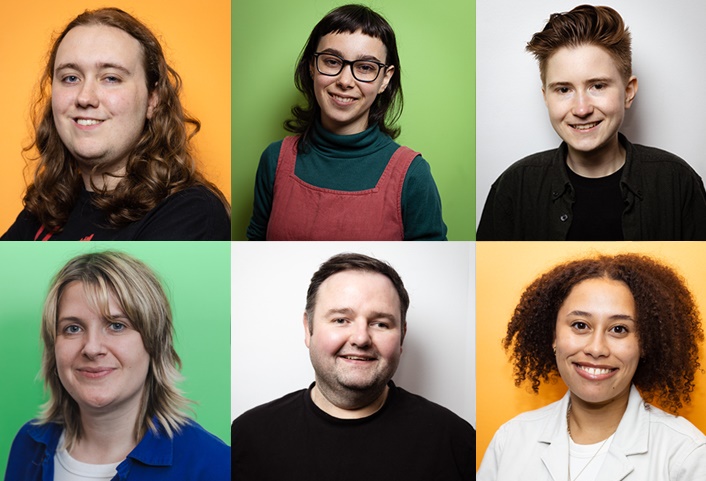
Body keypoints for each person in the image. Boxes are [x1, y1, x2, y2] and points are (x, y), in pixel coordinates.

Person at [232, 253, 473, 480]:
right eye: (340, 320)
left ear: (402, 336)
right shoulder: (248, 436)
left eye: (380, 323)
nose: (361, 338)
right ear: (308, 329)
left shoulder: (457, 440)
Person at [476, 5, 706, 240]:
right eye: (564, 89)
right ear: (546, 97)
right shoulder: (514, 187)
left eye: (597, 86)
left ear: (628, 92)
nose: (582, 109)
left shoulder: (678, 182)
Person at [1, 8, 230, 241]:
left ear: (153, 99)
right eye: (70, 77)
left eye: (111, 78)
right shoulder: (43, 211)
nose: (85, 97)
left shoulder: (190, 214)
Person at [477, 253, 706, 480]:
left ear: (645, 343)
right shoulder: (510, 439)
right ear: (553, 335)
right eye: (580, 325)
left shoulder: (688, 454)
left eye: (619, 329)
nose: (597, 349)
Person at [4, 251, 230, 479]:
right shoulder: (28, 443)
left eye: (116, 325)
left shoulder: (214, 464)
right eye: (73, 328)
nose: (92, 348)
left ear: (154, 342)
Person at [246, 4, 447, 241]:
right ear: (312, 67)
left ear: (385, 79)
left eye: (365, 67)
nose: (345, 81)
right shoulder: (274, 160)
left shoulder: (414, 176)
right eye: (332, 61)